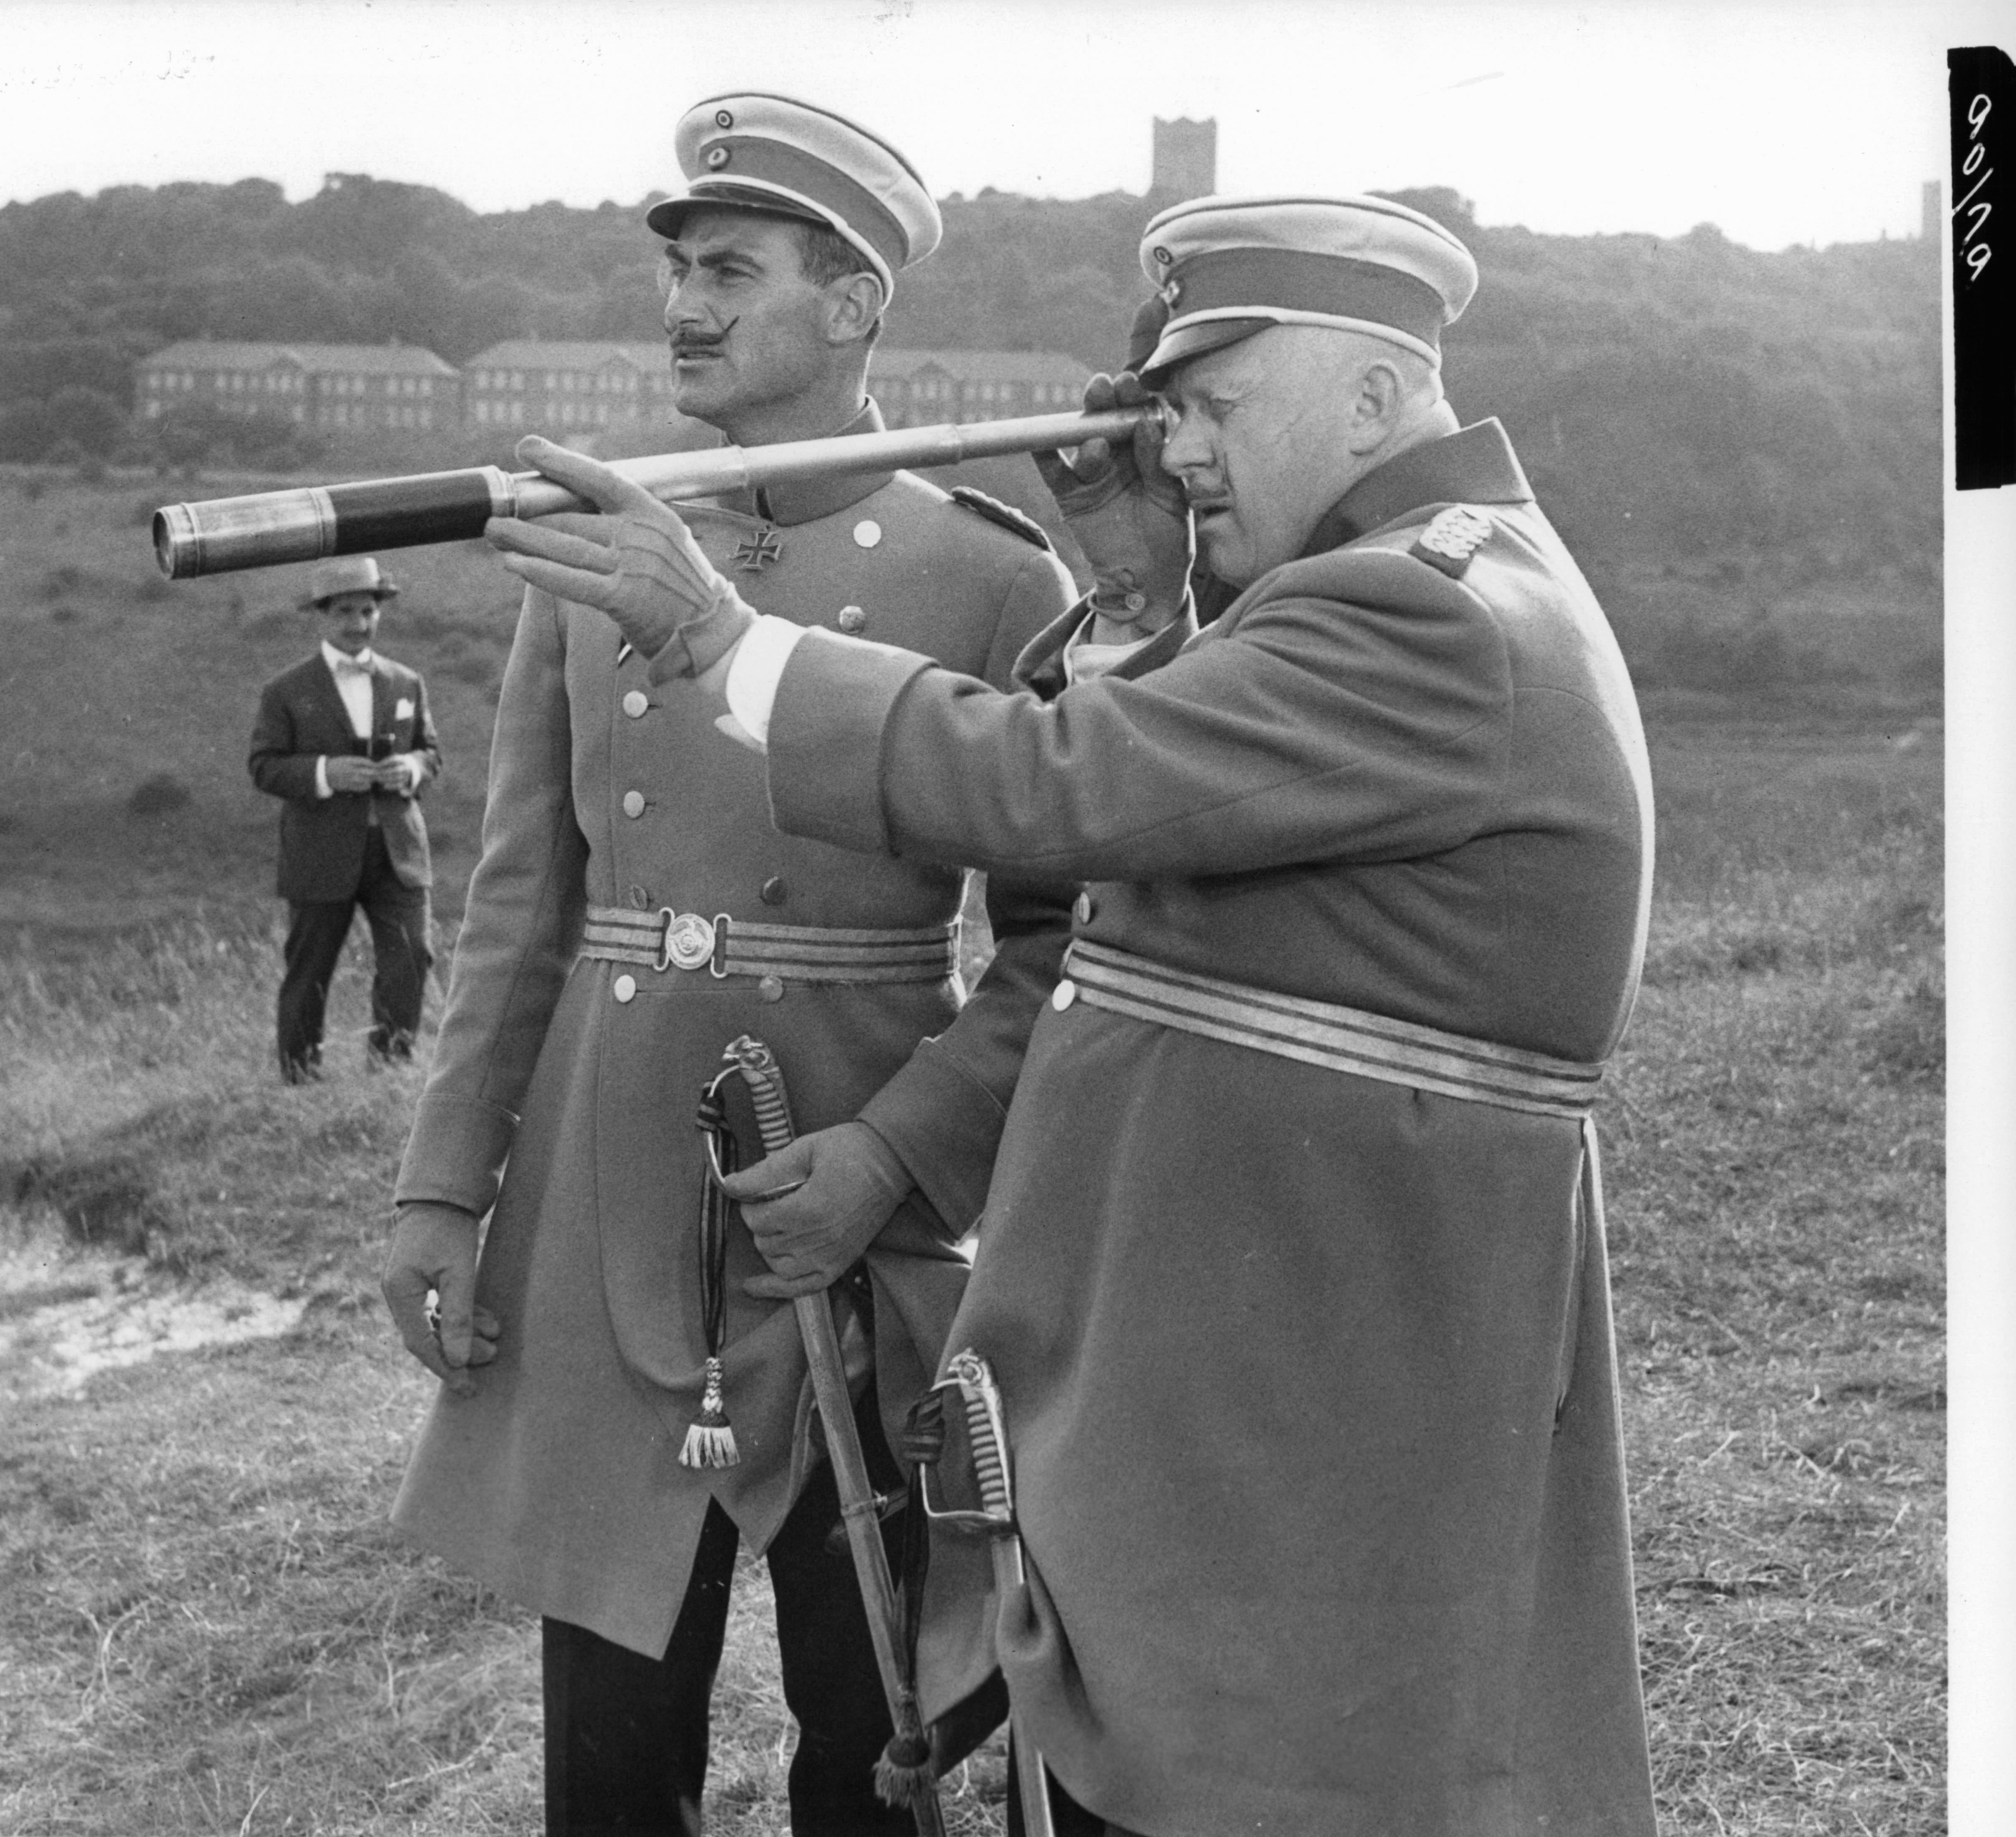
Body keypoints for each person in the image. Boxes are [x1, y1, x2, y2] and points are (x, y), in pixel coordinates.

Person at [484, 191, 1661, 1837]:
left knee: (1287, 1775)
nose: (1172, 452)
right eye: (1164, 411)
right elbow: (1191, 798)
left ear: (1378, 399)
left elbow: (1067, 793)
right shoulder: (1389, 589)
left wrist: (717, 638)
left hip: (1310, 1353)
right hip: (1262, 1349)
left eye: (1212, 409)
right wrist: (1121, 593)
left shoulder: (1416, 608)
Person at [380, 93, 1078, 1836]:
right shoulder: (594, 556)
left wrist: (896, 1158)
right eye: (679, 270)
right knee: (607, 1760)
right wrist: (438, 1189)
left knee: (878, 1743)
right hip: (606, 1204)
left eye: (730, 270)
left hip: (848, 1215)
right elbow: (516, 901)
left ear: (850, 307)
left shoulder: (984, 573)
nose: (683, 306)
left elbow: (1058, 952)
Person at [248, 554, 440, 1080]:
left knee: (412, 957)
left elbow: (431, 753)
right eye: (346, 613)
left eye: (368, 611)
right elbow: (263, 767)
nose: (358, 624)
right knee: (310, 971)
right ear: (322, 616)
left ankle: (390, 1073)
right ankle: (299, 1081)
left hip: (398, 851)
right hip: (320, 853)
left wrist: (411, 768)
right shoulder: (285, 691)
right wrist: (327, 773)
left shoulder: (407, 682)